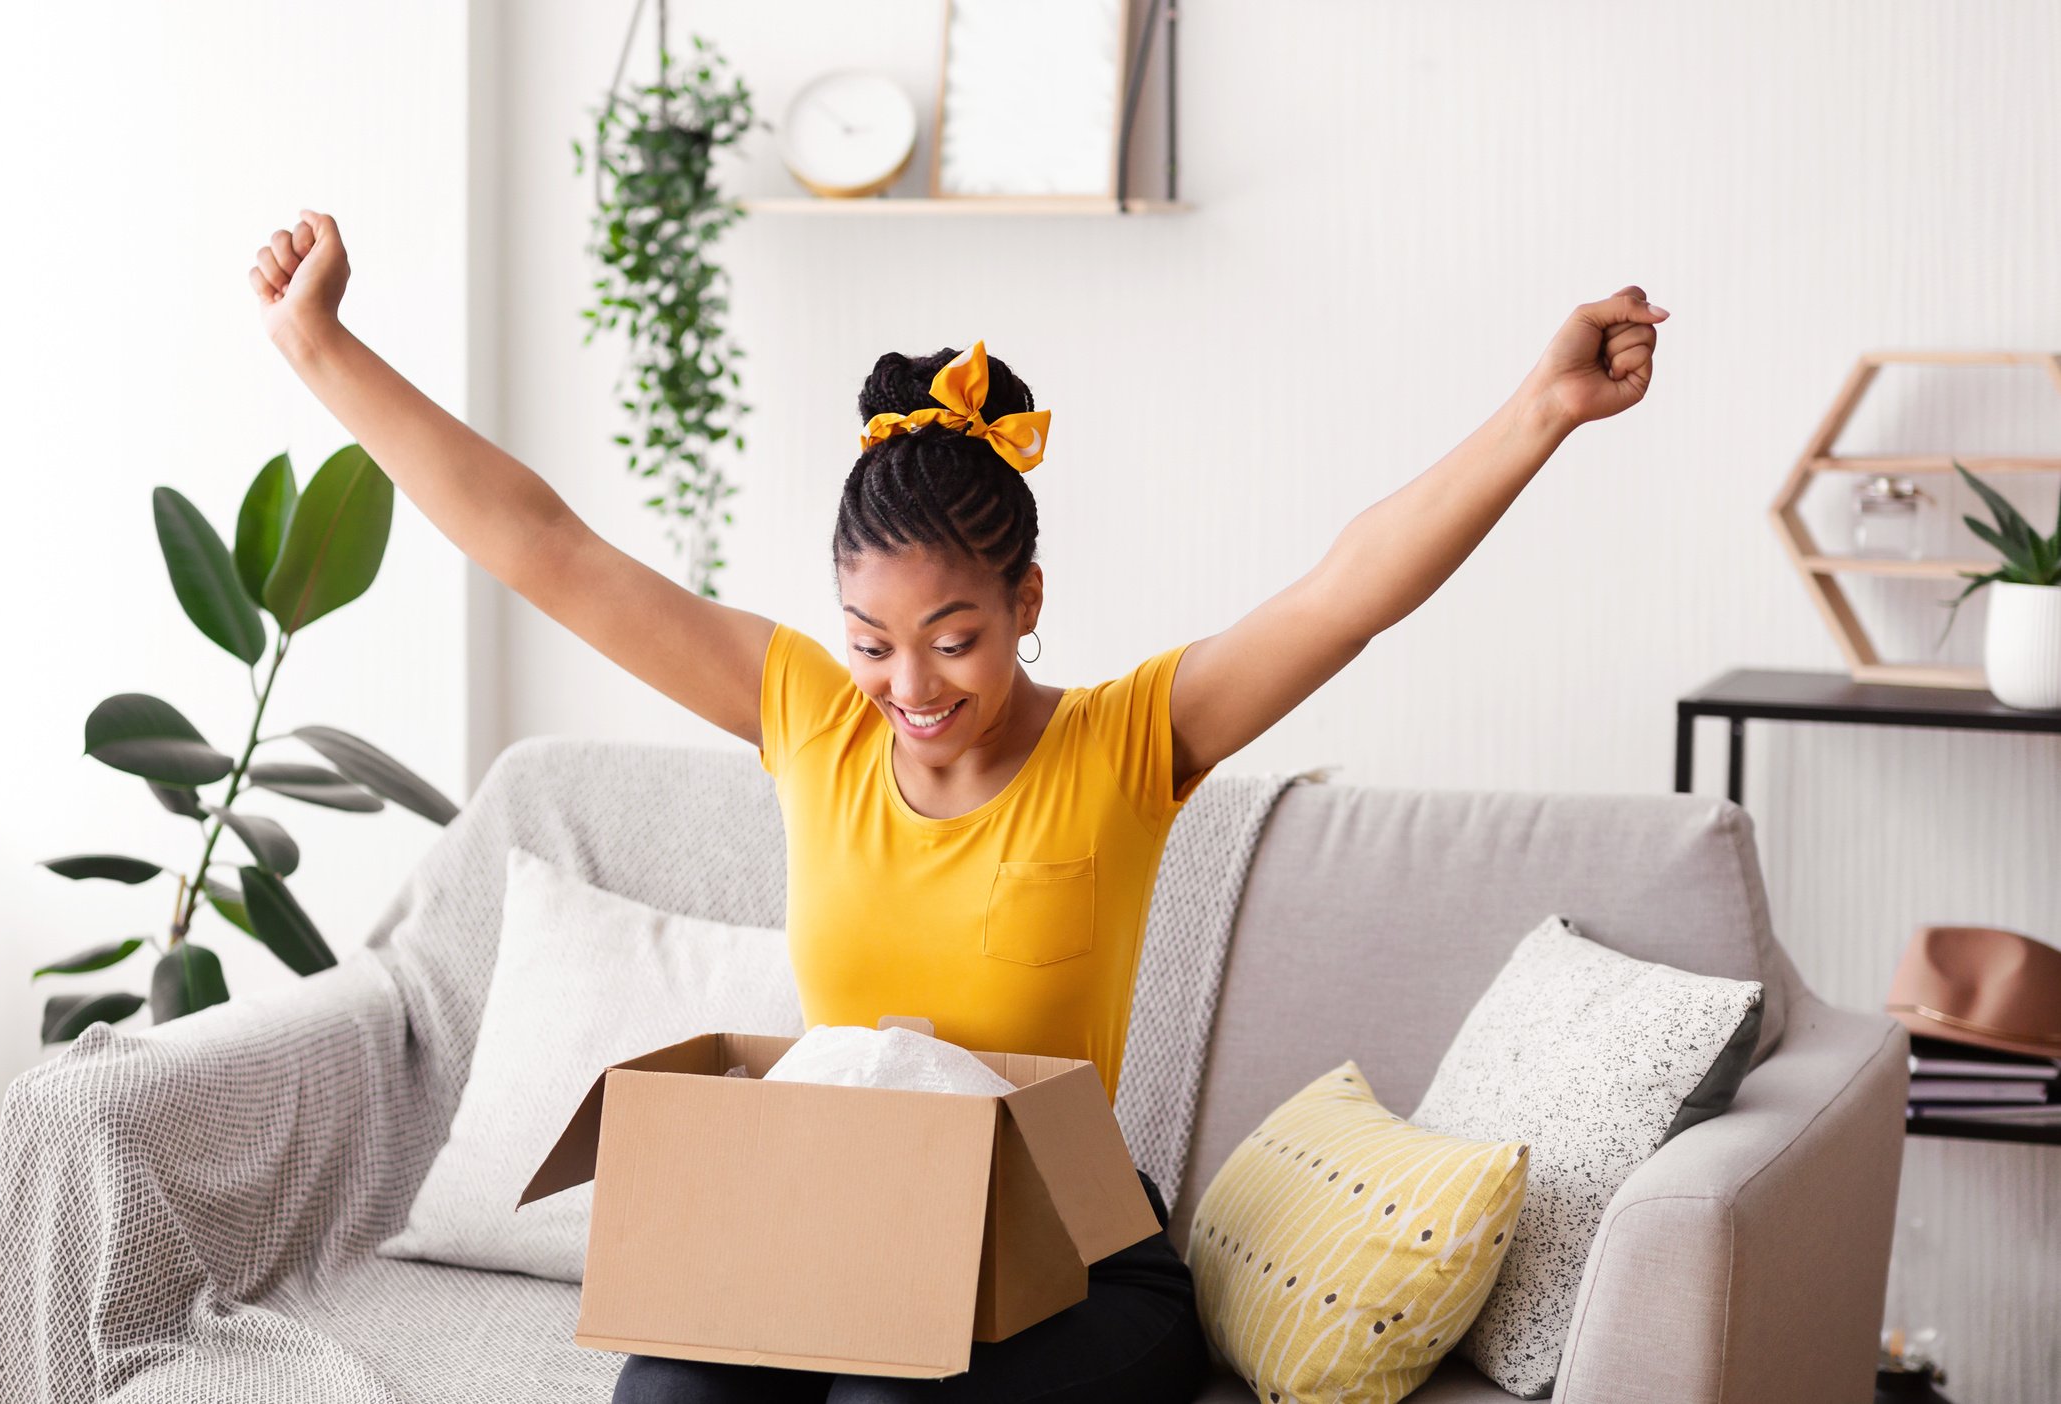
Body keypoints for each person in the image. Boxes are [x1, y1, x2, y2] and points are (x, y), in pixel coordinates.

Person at [249, 209, 1664, 1403]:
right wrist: (321, 348)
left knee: (893, 1390)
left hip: (1080, 1261)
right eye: (871, 639)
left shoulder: (1129, 743)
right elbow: (545, 546)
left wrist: (1541, 411)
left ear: (1024, 603)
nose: (910, 685)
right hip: (830, 1222)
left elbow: (1347, 593)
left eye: (954, 637)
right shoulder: (804, 712)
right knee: (667, 1388)